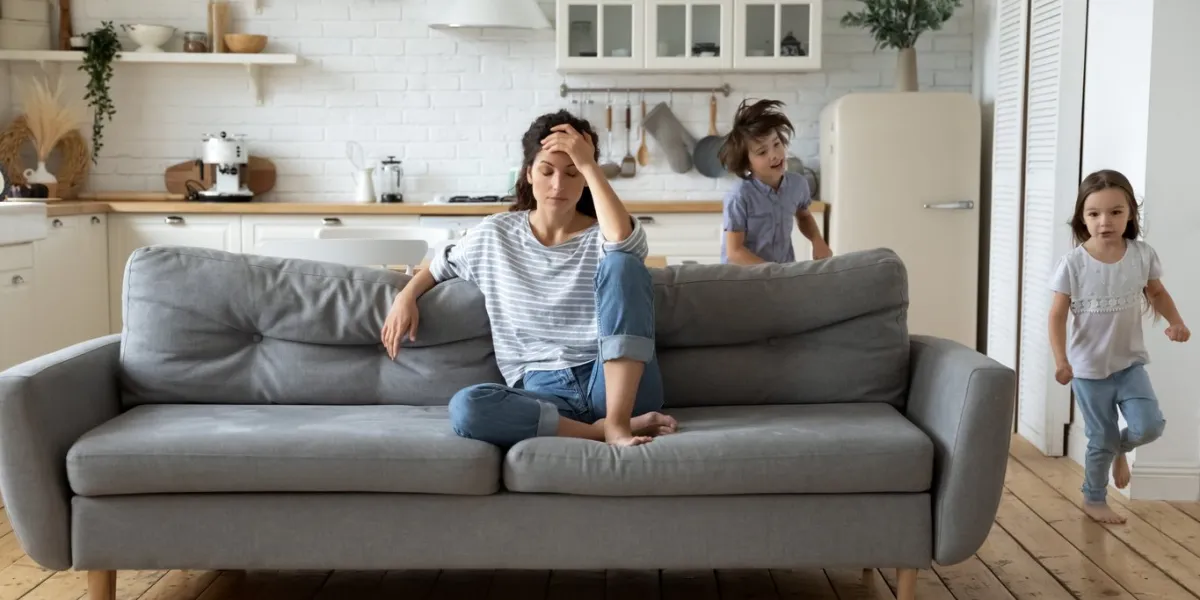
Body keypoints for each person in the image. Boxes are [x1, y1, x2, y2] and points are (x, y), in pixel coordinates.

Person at [380, 110, 677, 448]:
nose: (558, 185)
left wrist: (590, 163)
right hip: (544, 392)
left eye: (572, 172)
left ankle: (618, 421)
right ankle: (602, 430)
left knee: (623, 264)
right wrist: (406, 297)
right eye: (547, 171)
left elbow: (624, 243)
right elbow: (437, 268)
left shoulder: (605, 234)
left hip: (615, 380)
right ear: (529, 174)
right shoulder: (496, 235)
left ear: (585, 178)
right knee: (467, 407)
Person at [1048, 169, 1190, 524]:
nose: (1104, 222)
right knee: (1101, 436)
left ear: (1130, 214)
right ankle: (1094, 499)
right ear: (1082, 217)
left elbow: (1156, 292)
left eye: (1115, 212)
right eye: (1094, 213)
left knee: (1149, 426)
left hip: (1129, 365)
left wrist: (1176, 322)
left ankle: (1119, 449)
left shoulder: (1141, 255)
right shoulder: (1073, 264)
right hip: (1088, 370)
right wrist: (1061, 360)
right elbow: (1056, 315)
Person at [718, 98, 831, 265]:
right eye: (762, 152)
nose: (774, 155)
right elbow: (735, 252)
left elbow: (804, 216)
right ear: (747, 162)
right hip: (743, 279)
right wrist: (771, 272)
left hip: (781, 273)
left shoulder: (797, 185)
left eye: (776, 144)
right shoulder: (739, 196)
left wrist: (817, 240)